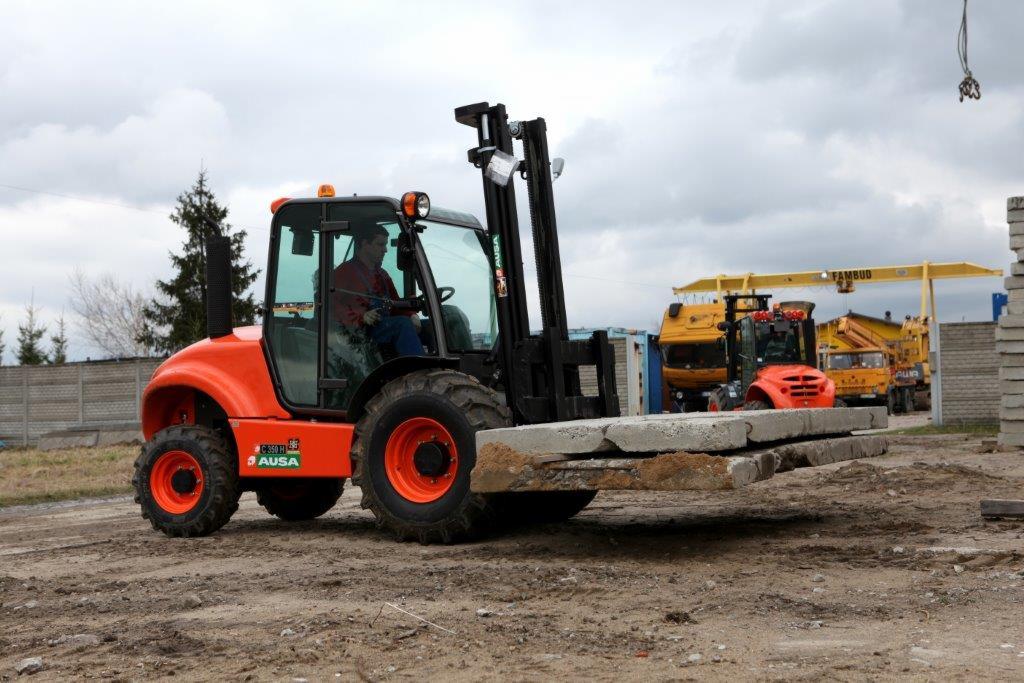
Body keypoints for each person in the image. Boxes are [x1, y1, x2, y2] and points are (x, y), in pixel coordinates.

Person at [332, 224, 424, 356]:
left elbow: (395, 305)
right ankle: (419, 371)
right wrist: (361, 316)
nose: (385, 250)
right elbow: (330, 306)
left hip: (385, 325)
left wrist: (411, 315)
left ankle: (450, 367)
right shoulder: (345, 272)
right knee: (402, 324)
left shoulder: (382, 275)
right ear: (365, 244)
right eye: (380, 245)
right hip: (361, 332)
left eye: (386, 245)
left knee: (447, 317)